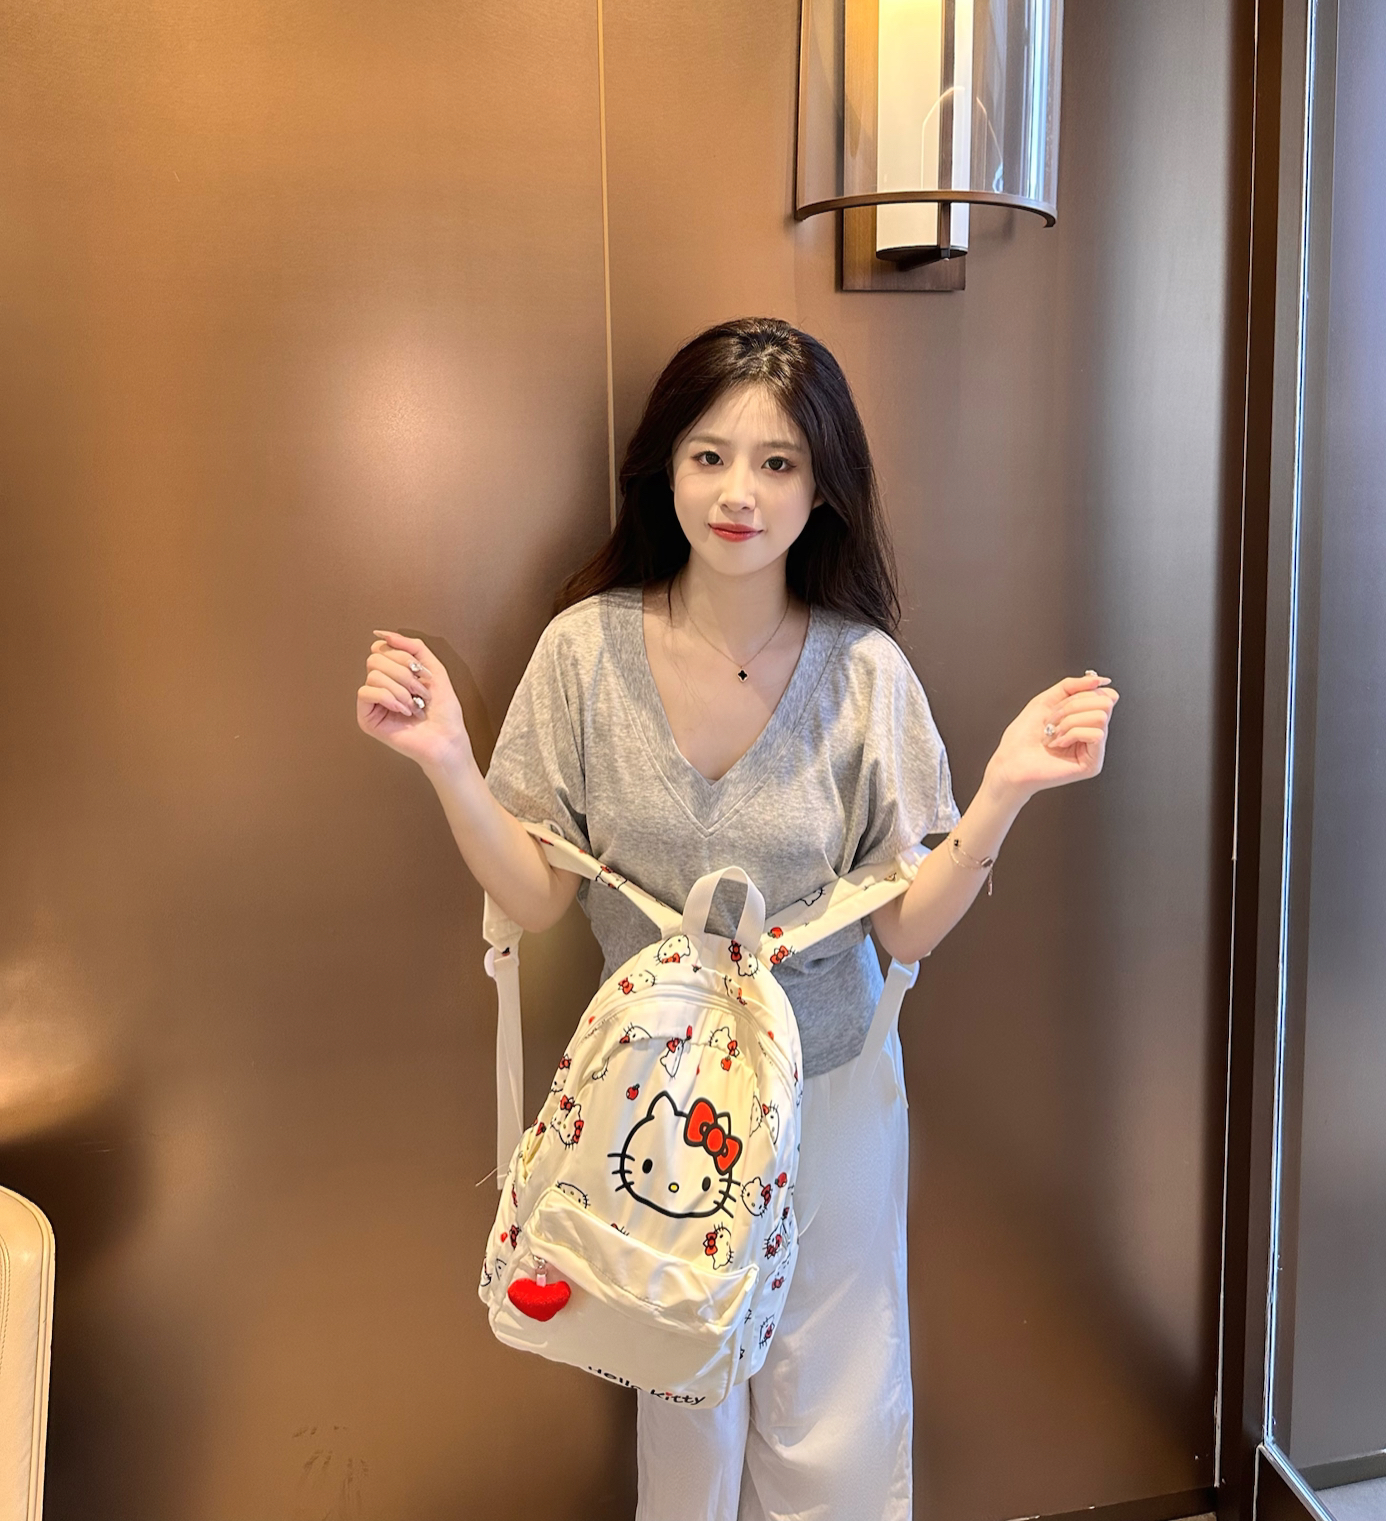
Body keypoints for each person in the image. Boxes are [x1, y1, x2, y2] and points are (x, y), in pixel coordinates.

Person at [356, 315, 1118, 1521]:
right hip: (655, 1096)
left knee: (835, 1398)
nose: (739, 494)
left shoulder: (865, 673)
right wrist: (449, 760)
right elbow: (539, 894)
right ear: (664, 467)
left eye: (777, 462)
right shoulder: (584, 654)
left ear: (822, 488)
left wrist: (1005, 792)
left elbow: (903, 934)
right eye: (709, 455)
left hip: (832, 1086)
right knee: (685, 1390)